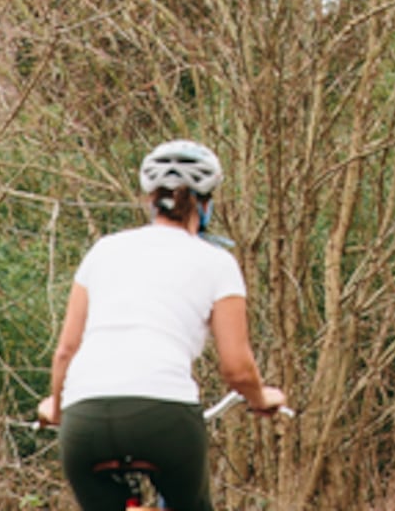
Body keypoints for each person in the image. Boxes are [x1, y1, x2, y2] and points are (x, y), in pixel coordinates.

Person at [38, 140, 290, 511]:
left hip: (85, 416)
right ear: (206, 206)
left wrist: (57, 408)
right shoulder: (217, 263)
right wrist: (260, 398)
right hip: (164, 416)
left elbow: (66, 351)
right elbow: (237, 368)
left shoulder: (104, 250)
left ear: (149, 201)